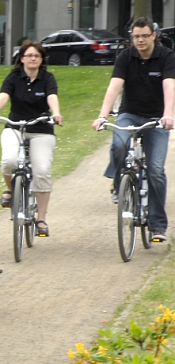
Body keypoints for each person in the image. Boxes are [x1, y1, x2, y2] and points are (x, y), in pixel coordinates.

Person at [93, 16, 175, 243]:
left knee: (156, 170)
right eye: (135, 36)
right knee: (118, 145)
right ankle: (120, 181)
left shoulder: (166, 57)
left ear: (154, 36)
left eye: (144, 36)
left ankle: (157, 225)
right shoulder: (125, 57)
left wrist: (168, 114)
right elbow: (114, 86)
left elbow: (170, 86)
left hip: (156, 118)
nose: (139, 40)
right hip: (129, 113)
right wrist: (102, 115)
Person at [0, 40, 62, 238]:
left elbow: (52, 97)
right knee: (9, 161)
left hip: (41, 129)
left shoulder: (47, 78)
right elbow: (3, 96)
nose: (33, 59)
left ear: (41, 60)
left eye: (37, 56)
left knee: (41, 170)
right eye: (29, 55)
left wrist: (56, 113)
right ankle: (9, 190)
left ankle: (41, 219)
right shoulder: (13, 77)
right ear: (22, 58)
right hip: (15, 126)